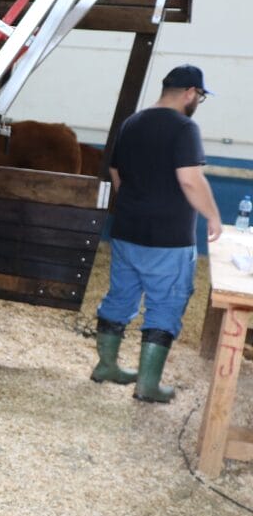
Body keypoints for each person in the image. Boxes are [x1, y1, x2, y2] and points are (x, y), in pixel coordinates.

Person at [93, 64, 222, 403]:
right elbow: (190, 180)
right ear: (191, 93)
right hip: (168, 238)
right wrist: (213, 216)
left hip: (125, 231)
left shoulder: (132, 123)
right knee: (165, 304)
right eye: (201, 96)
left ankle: (107, 366)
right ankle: (147, 386)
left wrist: (134, 205)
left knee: (120, 296)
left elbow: (116, 172)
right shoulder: (184, 127)